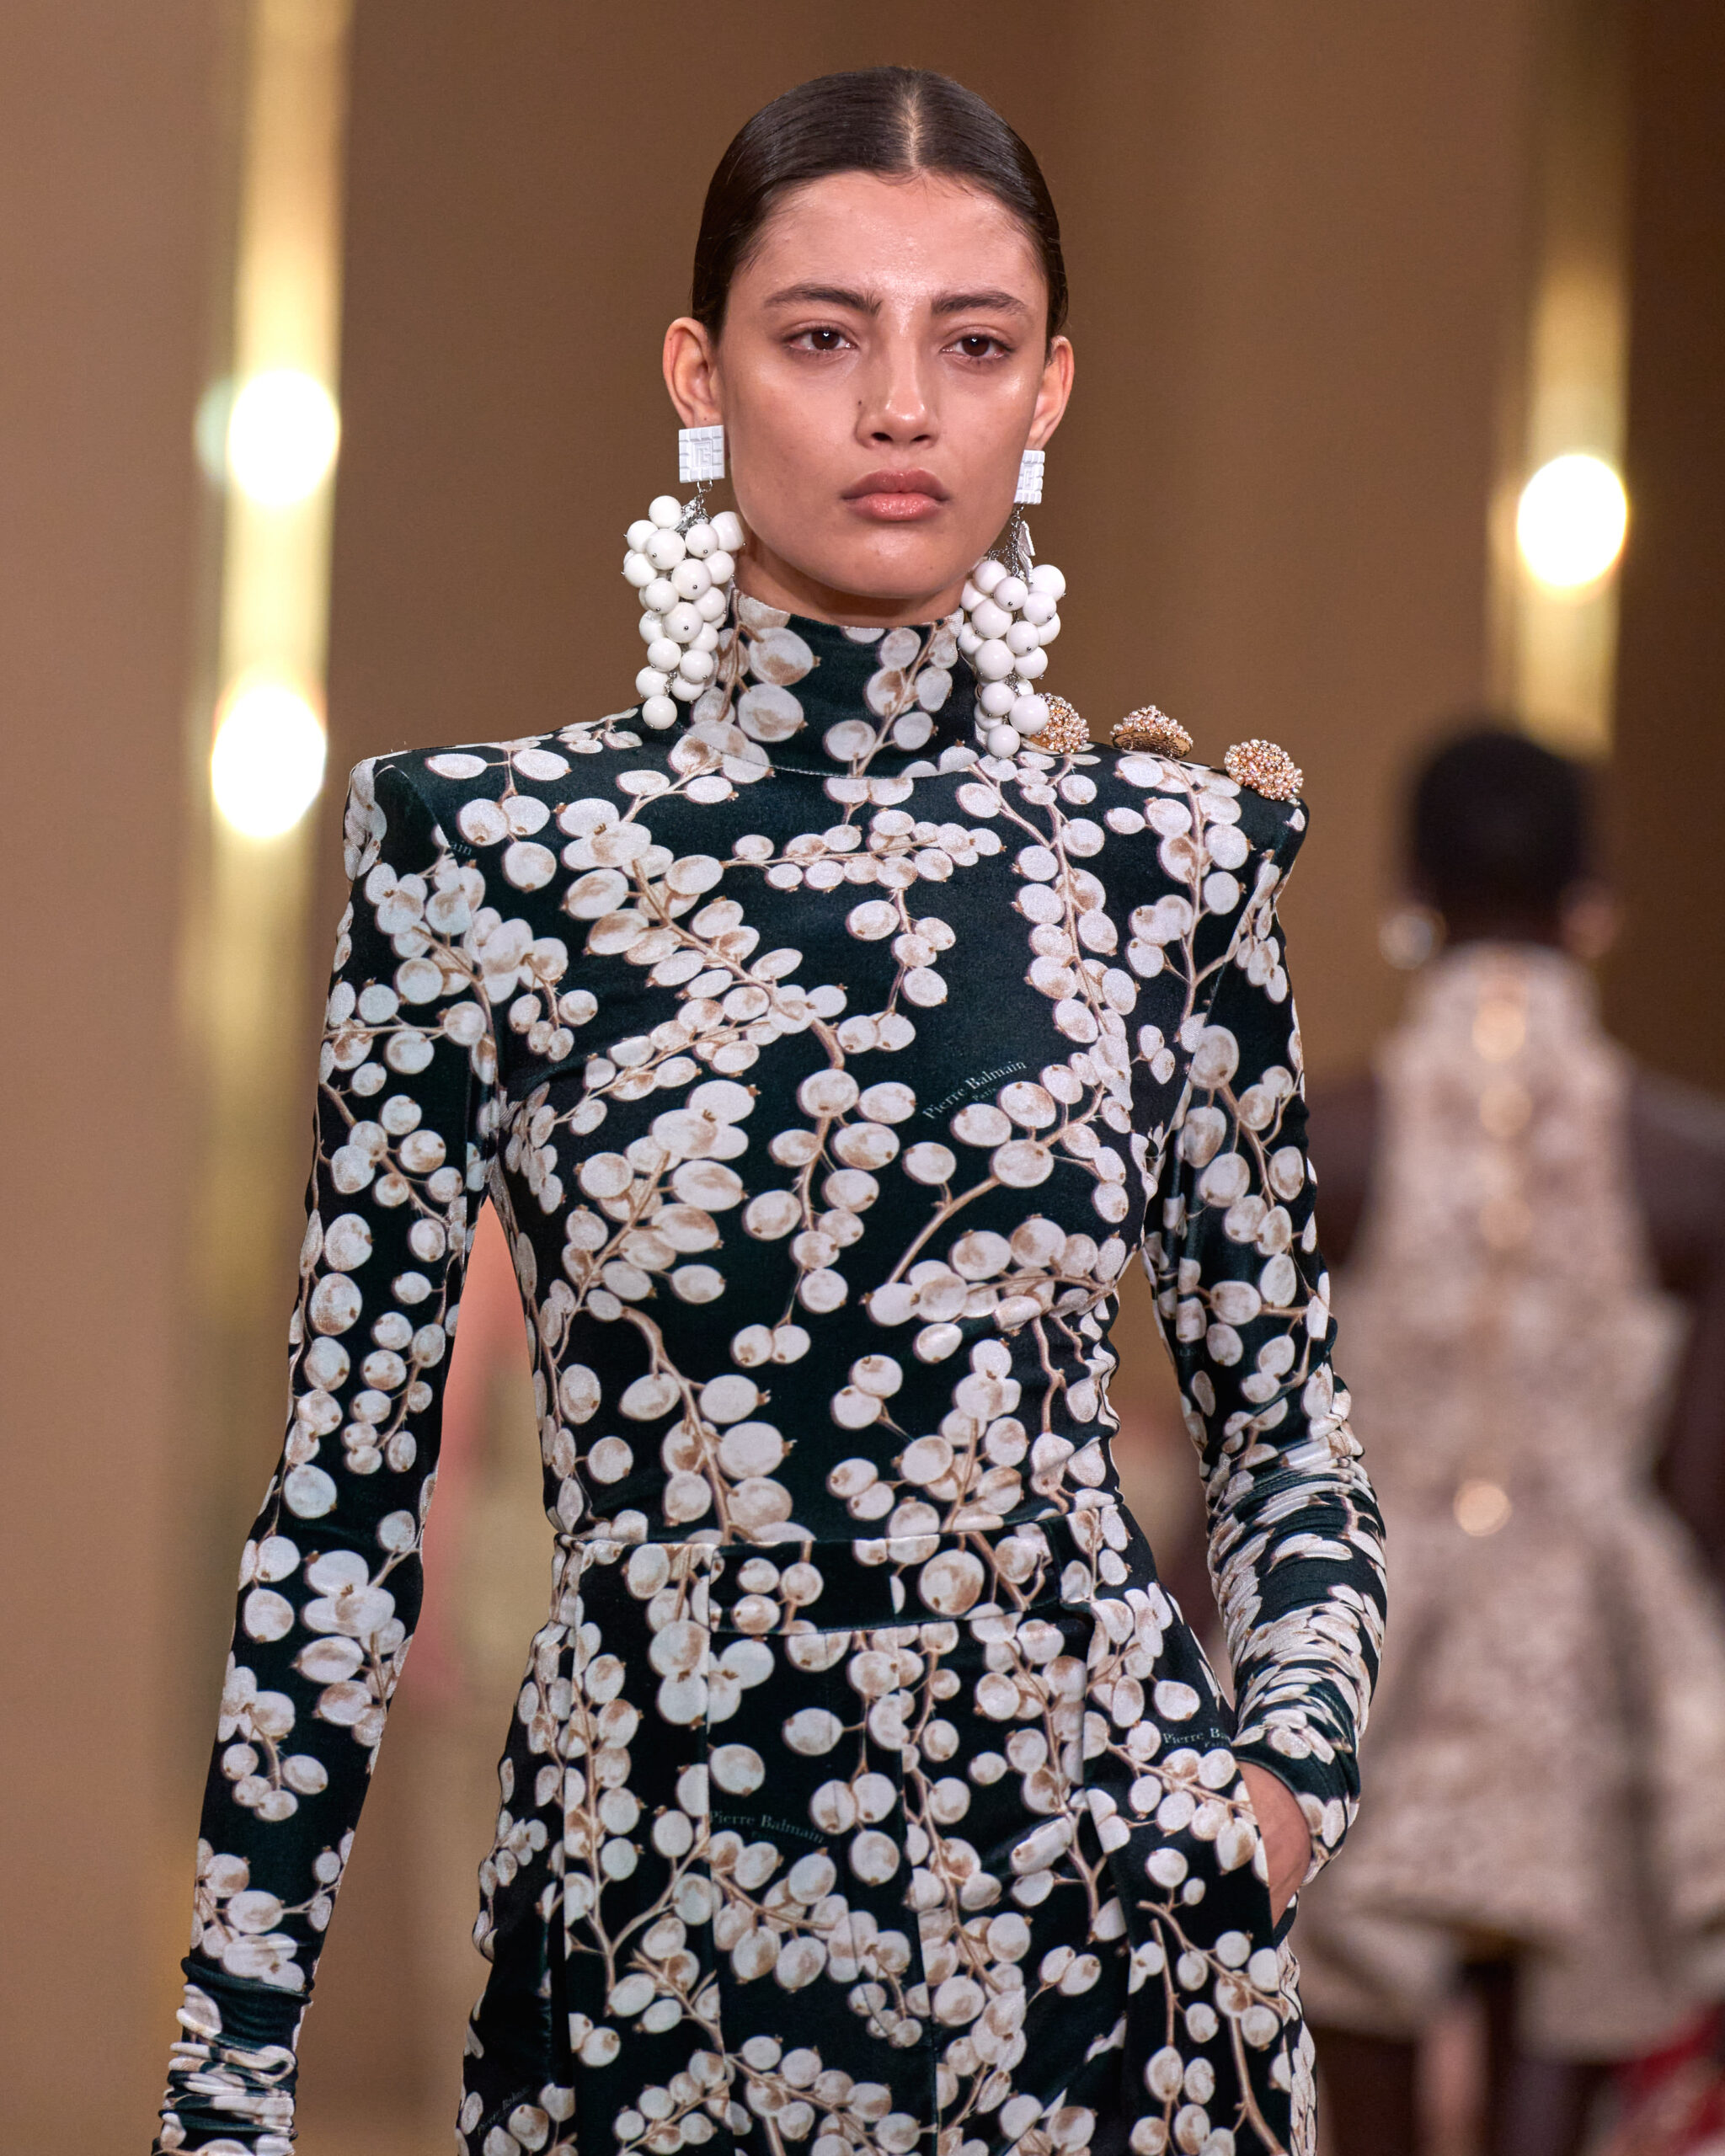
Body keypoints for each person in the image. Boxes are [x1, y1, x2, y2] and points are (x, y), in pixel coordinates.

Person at [154, 68, 1385, 2156]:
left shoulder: (1165, 862)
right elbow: (343, 1506)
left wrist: (1271, 1798)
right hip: (651, 1950)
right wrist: (226, 2075)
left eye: (971, 342)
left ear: (1048, 389)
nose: (900, 405)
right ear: (698, 372)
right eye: (824, 335)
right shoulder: (489, 854)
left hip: (1113, 1971)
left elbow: (1290, 1441)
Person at [1294, 728, 1725, 2156]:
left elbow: (1261, 1459)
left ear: (1407, 892)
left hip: (1360, 1645)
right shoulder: (1690, 1164)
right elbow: (1701, 1494)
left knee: (1357, 2068)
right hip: (1590, 1665)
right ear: (1594, 901)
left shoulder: (1324, 1142)